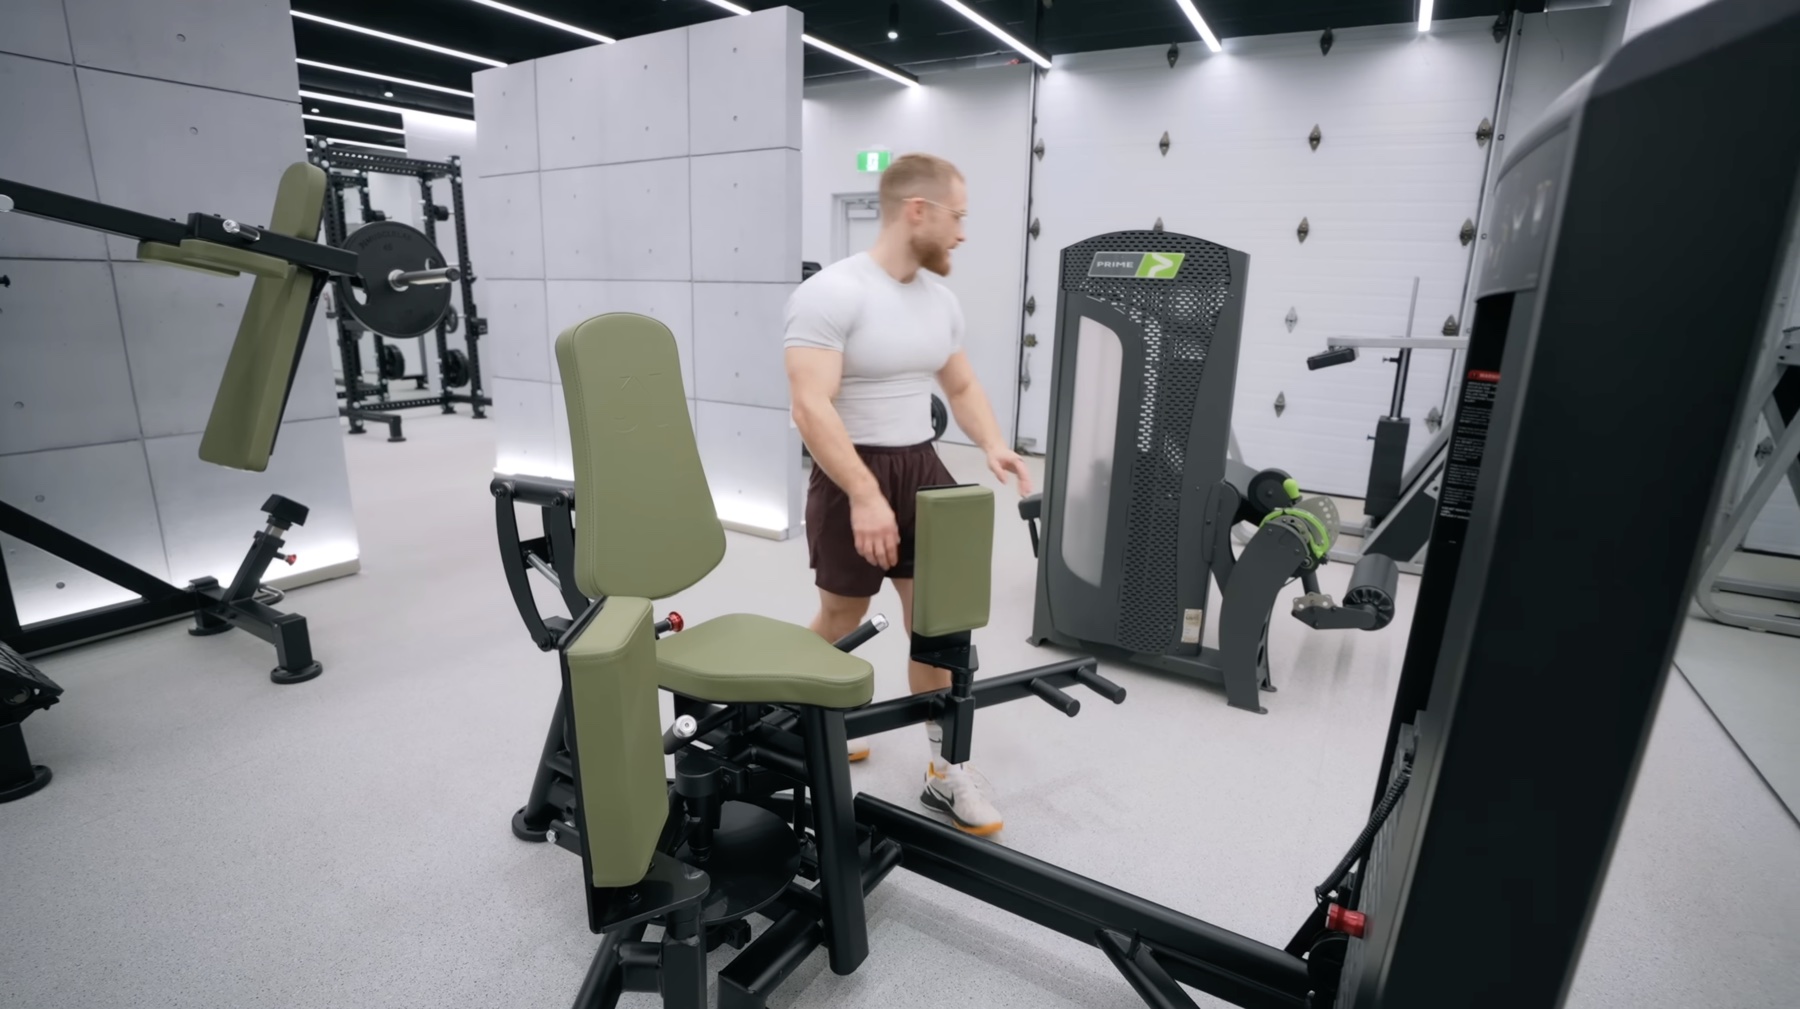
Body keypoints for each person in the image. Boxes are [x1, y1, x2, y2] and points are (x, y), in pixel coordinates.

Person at [783, 153, 1032, 837]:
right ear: (917, 210)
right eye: (958, 216)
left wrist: (993, 443)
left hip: (923, 469)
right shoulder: (832, 294)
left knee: (938, 624)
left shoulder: (938, 300)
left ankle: (945, 770)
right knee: (843, 615)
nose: (963, 232)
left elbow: (960, 383)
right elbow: (810, 406)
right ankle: (804, 713)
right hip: (850, 470)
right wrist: (864, 494)